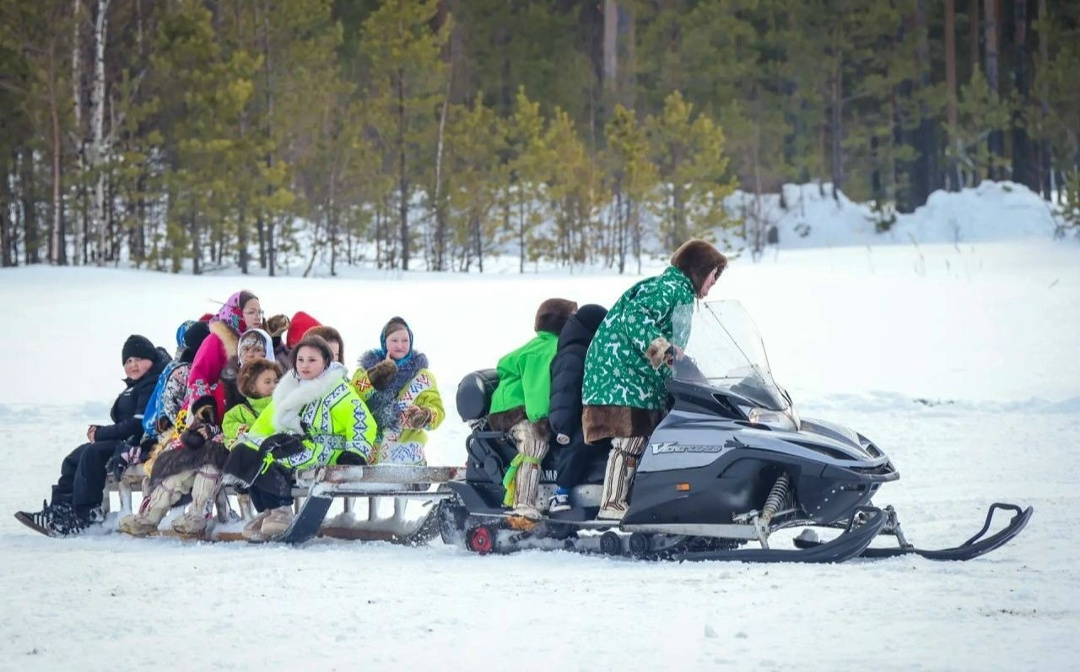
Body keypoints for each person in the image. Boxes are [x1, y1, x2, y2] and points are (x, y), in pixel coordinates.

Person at [582, 239, 727, 520]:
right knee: (632, 437)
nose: (713, 281)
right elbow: (635, 317)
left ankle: (645, 500)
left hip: (636, 377)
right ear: (698, 270)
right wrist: (664, 349)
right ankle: (611, 504)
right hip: (618, 377)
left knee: (653, 440)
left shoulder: (680, 292)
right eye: (712, 274)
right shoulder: (669, 288)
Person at [222, 335, 377, 542]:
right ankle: (268, 509)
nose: (305, 365)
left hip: (328, 449)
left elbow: (361, 421)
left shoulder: (338, 391)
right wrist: (249, 448)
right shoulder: (290, 387)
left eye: (312, 360)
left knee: (276, 456)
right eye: (300, 360)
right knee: (252, 451)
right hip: (298, 442)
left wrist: (356, 452)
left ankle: (282, 509)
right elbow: (267, 421)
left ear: (326, 361)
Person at [15, 335, 169, 536]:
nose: (133, 365)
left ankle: (85, 516)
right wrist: (101, 432)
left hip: (143, 444)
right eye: (128, 361)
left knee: (93, 453)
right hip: (127, 441)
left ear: (151, 359)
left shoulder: (151, 383)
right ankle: (60, 510)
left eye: (139, 359)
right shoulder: (137, 384)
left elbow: (137, 424)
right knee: (75, 456)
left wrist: (102, 433)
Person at [487, 298, 578, 519]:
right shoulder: (545, 350)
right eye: (573, 319)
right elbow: (537, 389)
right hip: (512, 409)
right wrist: (542, 421)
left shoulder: (555, 346)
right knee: (534, 444)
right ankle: (523, 503)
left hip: (524, 406)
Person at [351, 317, 444, 466]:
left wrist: (425, 415)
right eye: (394, 340)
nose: (400, 345)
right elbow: (352, 399)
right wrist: (378, 373)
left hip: (408, 460)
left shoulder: (423, 376)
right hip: (371, 459)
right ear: (384, 342)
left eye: (405, 340)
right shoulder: (365, 370)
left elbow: (438, 410)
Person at [545, 304, 609, 512]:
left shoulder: (589, 352)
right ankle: (560, 493)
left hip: (588, 413)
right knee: (581, 442)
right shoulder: (573, 354)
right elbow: (564, 392)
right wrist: (563, 427)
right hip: (571, 423)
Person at [187, 290, 263, 419]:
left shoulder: (258, 338)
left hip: (245, 409)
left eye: (259, 312)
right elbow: (198, 374)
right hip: (215, 410)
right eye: (251, 312)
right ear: (237, 313)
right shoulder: (217, 340)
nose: (257, 316)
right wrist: (204, 404)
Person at [221, 357, 284, 447]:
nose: (273, 385)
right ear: (252, 387)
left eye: (276, 381)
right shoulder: (240, 411)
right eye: (267, 382)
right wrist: (246, 431)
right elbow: (228, 425)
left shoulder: (282, 405)